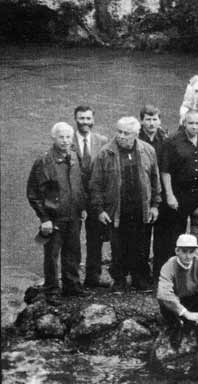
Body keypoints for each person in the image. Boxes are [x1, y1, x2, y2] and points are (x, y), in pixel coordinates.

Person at [90, 117, 161, 291]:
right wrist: (99, 210)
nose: (121, 136)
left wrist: (155, 205)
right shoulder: (105, 153)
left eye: (126, 133)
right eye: (119, 132)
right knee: (118, 245)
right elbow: (95, 184)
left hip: (141, 208)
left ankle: (140, 278)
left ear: (136, 134)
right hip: (117, 209)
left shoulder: (148, 150)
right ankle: (119, 279)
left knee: (142, 244)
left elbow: (155, 180)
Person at [27, 122, 88, 299]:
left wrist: (83, 207)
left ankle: (72, 286)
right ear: (54, 138)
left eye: (68, 137)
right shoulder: (44, 161)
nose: (65, 141)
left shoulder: (75, 156)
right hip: (54, 217)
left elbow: (80, 185)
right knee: (52, 255)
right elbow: (33, 193)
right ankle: (51, 290)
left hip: (74, 215)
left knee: (73, 252)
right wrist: (44, 218)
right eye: (61, 137)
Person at [158, 110, 198, 280]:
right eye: (191, 123)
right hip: (178, 195)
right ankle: (167, 273)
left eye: (197, 123)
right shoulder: (172, 141)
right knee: (173, 234)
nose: (194, 127)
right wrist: (169, 195)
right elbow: (165, 170)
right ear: (184, 123)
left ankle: (196, 272)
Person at [72, 106, 109, 288]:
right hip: (74, 197)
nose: (85, 122)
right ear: (75, 119)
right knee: (72, 239)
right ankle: (72, 279)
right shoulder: (67, 140)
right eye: (81, 118)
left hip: (95, 197)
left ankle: (93, 277)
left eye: (88, 118)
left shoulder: (101, 141)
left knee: (95, 238)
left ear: (93, 120)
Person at [138, 104, 170, 282]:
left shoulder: (165, 139)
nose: (151, 123)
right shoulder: (136, 138)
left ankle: (160, 272)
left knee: (163, 235)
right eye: (148, 119)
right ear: (142, 121)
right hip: (143, 193)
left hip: (162, 192)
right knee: (142, 235)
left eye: (154, 119)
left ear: (160, 121)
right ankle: (142, 273)